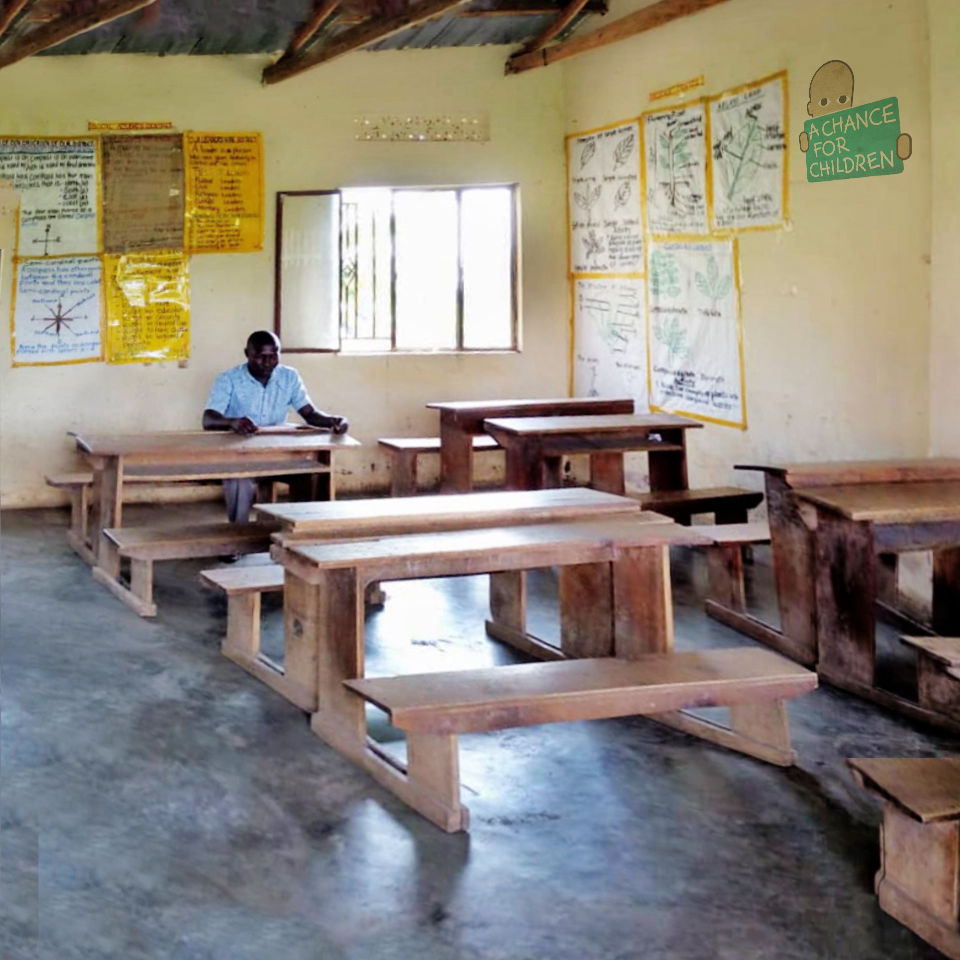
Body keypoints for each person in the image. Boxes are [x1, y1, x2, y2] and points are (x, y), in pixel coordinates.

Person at [203, 330, 349, 523]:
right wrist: (232, 422)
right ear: (247, 354)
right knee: (238, 480)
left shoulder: (289, 377)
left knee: (306, 475)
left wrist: (335, 421)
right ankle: (237, 540)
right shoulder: (228, 379)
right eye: (260, 357)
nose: (267, 363)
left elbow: (309, 414)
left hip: (279, 454)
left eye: (273, 356)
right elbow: (208, 419)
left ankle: (298, 532)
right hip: (241, 455)